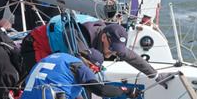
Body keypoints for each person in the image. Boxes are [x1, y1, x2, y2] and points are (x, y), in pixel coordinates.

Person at [19, 14, 174, 87]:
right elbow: (83, 73)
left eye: (116, 50)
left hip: (58, 50)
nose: (113, 53)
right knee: (39, 82)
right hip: (37, 45)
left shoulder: (113, 39)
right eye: (112, 49)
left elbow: (132, 57)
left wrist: (155, 76)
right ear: (104, 38)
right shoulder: (78, 37)